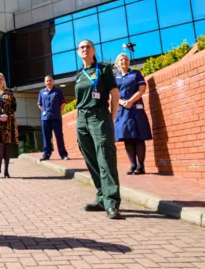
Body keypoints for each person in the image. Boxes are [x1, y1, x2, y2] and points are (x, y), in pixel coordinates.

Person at [75, 39, 122, 219]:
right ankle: (102, 197)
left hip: (99, 115)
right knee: (91, 159)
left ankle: (112, 202)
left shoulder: (103, 70)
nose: (84, 49)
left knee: (105, 157)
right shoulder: (78, 74)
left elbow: (115, 94)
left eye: (88, 46)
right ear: (78, 52)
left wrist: (111, 117)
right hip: (82, 118)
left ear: (93, 50)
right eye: (81, 47)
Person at [114, 53, 152, 175]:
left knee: (139, 138)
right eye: (121, 59)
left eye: (126, 59)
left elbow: (142, 90)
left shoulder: (136, 74)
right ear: (117, 63)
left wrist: (130, 101)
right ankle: (133, 165)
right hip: (122, 111)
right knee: (127, 139)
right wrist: (122, 102)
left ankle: (141, 166)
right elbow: (112, 95)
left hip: (136, 109)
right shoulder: (115, 78)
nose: (124, 61)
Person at [37, 75, 69, 161]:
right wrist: (44, 111)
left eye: (50, 80)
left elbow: (63, 103)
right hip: (45, 119)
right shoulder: (41, 92)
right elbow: (39, 104)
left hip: (56, 118)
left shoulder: (58, 91)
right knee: (46, 137)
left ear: (53, 81)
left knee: (59, 136)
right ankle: (46, 154)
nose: (49, 82)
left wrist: (59, 112)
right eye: (47, 81)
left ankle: (63, 154)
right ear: (45, 82)